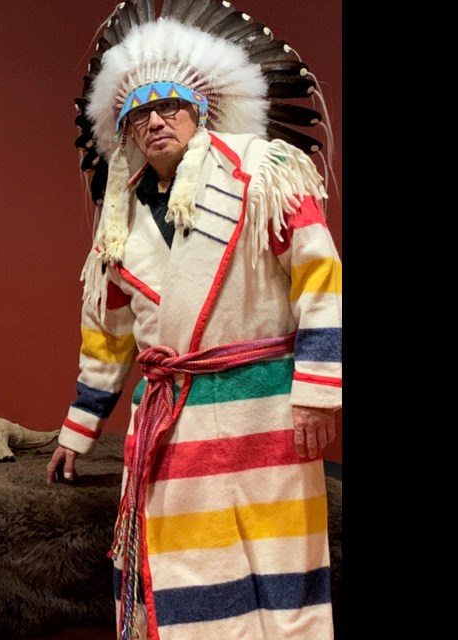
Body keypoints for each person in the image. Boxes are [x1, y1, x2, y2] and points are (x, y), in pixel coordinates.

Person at [46, 2, 341, 638]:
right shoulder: (118, 223)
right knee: (195, 575)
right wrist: (80, 427)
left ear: (198, 109)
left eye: (168, 106)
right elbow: (109, 332)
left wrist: (319, 392)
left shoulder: (264, 172)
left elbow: (322, 280)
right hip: (172, 418)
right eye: (139, 113)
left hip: (266, 408)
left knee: (285, 567)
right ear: (124, 131)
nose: (155, 121)